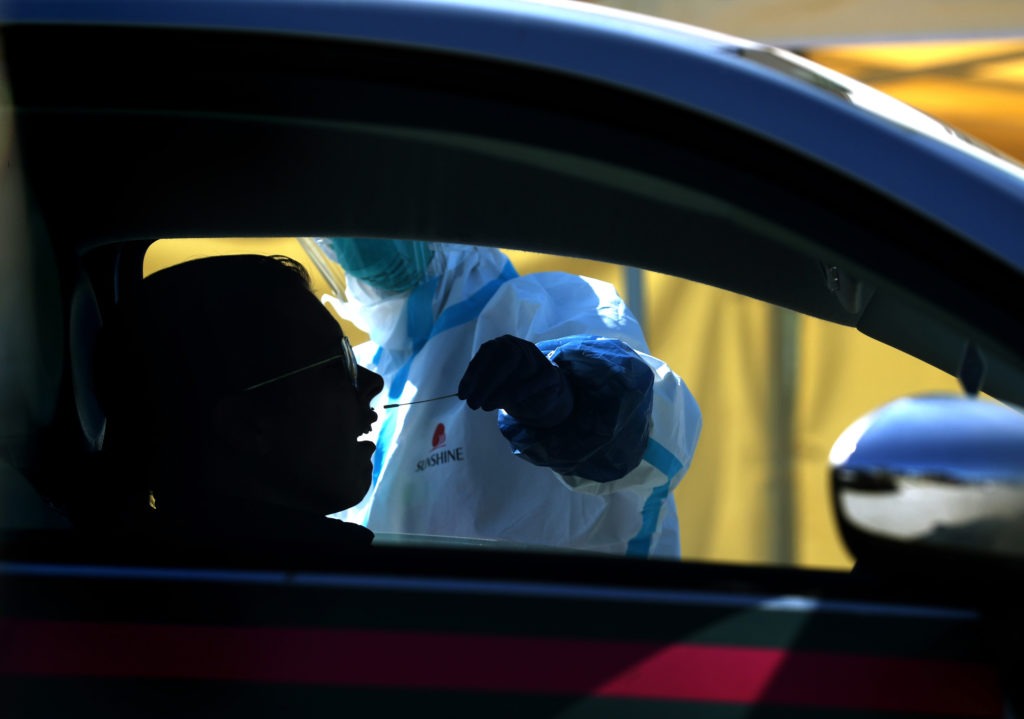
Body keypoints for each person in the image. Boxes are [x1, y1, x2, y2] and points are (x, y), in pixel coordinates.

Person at [313, 238, 702, 558]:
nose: (354, 234)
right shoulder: (365, 368)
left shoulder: (550, 307)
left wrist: (572, 402)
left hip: (574, 641)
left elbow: (656, 431)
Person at [90, 254, 384, 553]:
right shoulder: (340, 582)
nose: (374, 382)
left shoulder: (144, 559)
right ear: (245, 423)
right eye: (337, 365)